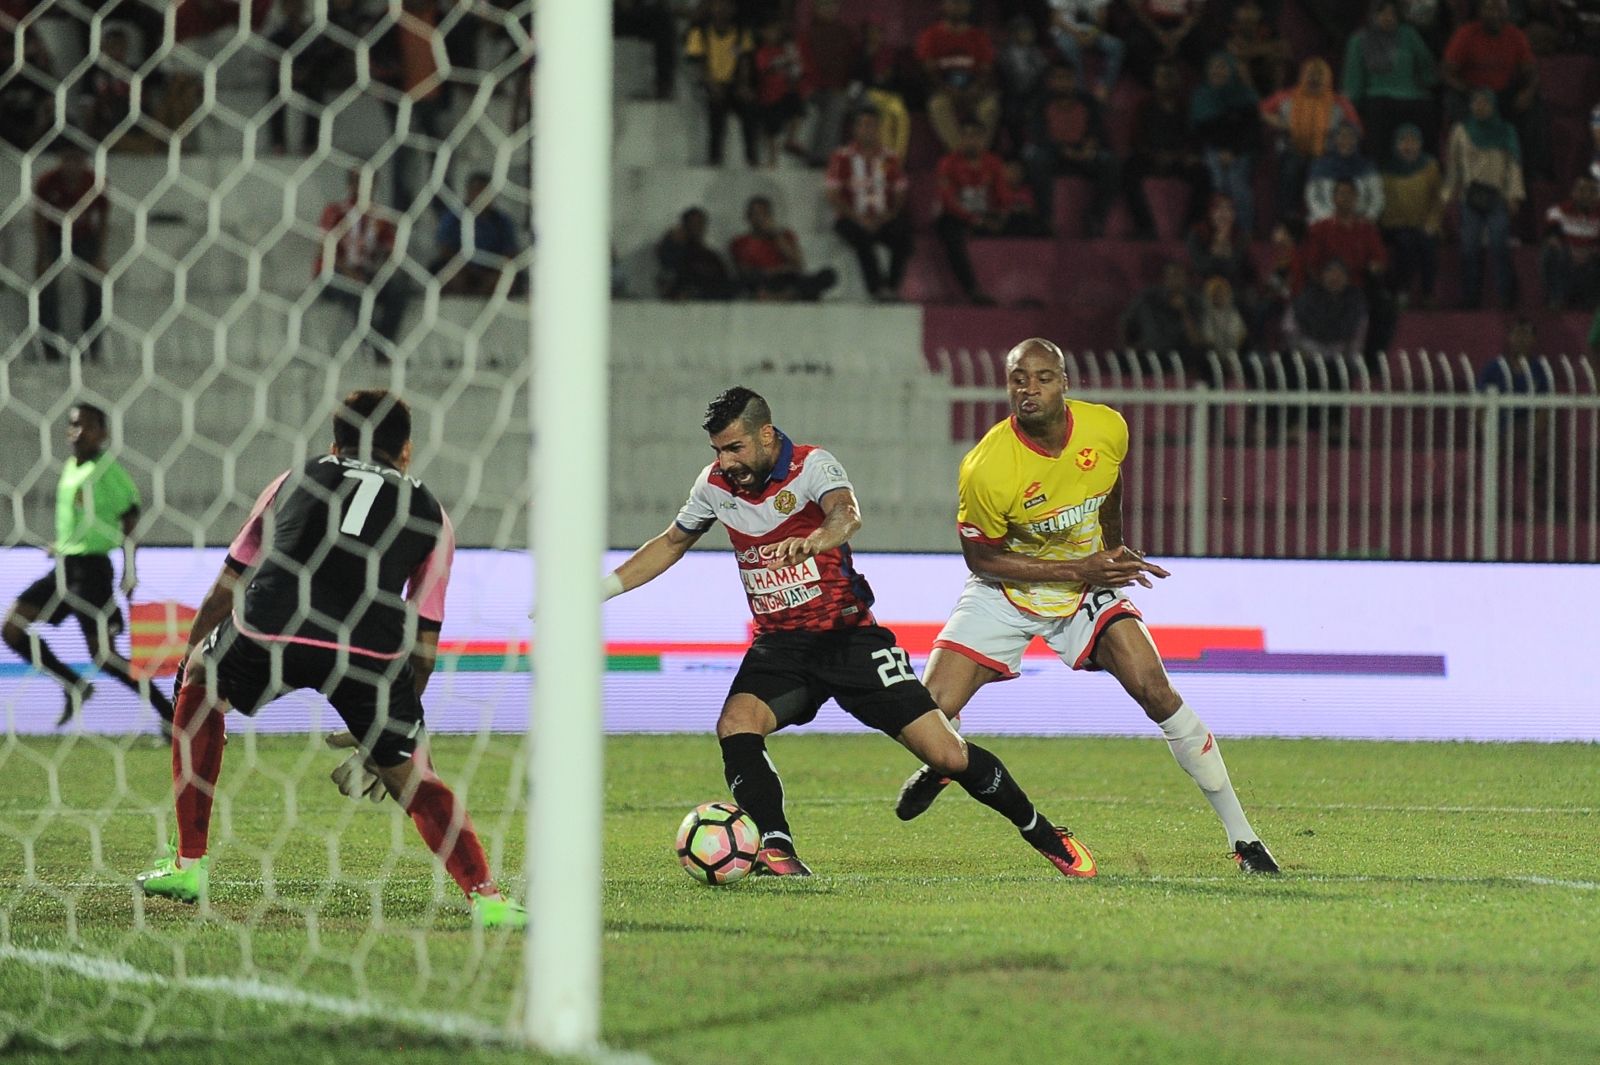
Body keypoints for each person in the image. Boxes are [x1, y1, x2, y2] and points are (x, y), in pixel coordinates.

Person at [605, 386, 1098, 879]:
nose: (725, 461)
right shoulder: (714, 486)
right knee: (736, 724)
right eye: (718, 450)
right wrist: (600, 590)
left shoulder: (812, 466)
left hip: (849, 640)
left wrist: (818, 538)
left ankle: (1046, 835)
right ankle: (778, 849)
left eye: (734, 448)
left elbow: (847, 513)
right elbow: (671, 542)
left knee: (947, 753)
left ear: (766, 435)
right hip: (781, 645)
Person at [135, 390, 527, 929]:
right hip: (370, 647)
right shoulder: (432, 513)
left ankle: (188, 864)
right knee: (415, 778)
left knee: (202, 678)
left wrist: (189, 666)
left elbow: (227, 586)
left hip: (274, 625)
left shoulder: (294, 477)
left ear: (335, 444)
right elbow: (424, 648)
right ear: (406, 452)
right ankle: (488, 899)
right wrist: (393, 733)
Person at [891, 339, 1278, 874]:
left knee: (1158, 693)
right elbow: (982, 559)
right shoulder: (987, 468)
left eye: (1042, 378)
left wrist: (1111, 550)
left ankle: (1245, 841)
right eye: (1018, 379)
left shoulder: (1106, 428)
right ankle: (944, 764)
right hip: (1007, 594)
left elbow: (1109, 483)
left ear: (1065, 383)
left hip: (1084, 590)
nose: (1029, 389)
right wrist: (1083, 567)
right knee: (926, 717)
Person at [3, 403, 175, 731]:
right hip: (65, 568)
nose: (76, 432)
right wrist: (62, 543)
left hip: (92, 573)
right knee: (12, 627)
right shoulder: (71, 466)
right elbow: (85, 518)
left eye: (85, 426)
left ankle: (170, 715)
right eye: (72, 425)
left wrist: (130, 570)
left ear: (103, 433)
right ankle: (74, 685)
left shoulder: (107, 471)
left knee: (105, 658)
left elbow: (129, 517)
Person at [1025, 65, 1144, 239]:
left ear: (1074, 80)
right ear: (1051, 82)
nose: (1063, 83)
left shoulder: (1087, 101)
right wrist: (1063, 150)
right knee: (1037, 160)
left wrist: (1090, 145)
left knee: (1110, 162)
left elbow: (1097, 130)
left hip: (1083, 153)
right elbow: (1038, 135)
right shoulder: (1041, 103)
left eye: (1067, 78)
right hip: (1055, 153)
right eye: (1059, 78)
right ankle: (1045, 220)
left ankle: (1096, 218)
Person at [1441, 0, 1548, 179]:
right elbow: (1446, 71)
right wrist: (1469, 92)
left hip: (1502, 93)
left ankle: (1527, 169)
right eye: (1489, 8)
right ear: (1480, 11)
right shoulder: (1466, 33)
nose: (1495, 14)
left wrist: (1527, 93)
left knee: (1535, 108)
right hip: (1472, 92)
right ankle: (1460, 168)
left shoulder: (1515, 35)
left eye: (1500, 9)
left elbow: (1532, 71)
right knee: (1453, 102)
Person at [1441, 88, 1525, 309]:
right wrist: (1448, 195)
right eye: (1476, 102)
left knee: (1499, 245)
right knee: (1469, 248)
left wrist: (1514, 195)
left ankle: (1506, 297)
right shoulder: (1460, 131)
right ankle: (1470, 299)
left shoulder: (1506, 131)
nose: (1480, 107)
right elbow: (1454, 166)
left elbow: (1513, 165)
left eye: (1484, 103)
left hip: (1497, 197)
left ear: (1493, 105)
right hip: (1470, 198)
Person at [316, 168, 408, 362]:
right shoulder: (335, 212)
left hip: (366, 274)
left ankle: (381, 345)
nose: (364, 187)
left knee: (398, 292)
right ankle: (371, 348)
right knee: (358, 294)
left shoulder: (379, 217)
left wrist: (389, 264)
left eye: (369, 182)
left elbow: (391, 249)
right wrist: (347, 271)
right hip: (334, 275)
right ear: (350, 185)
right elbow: (324, 249)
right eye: (358, 182)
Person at [1260, 57, 1362, 226]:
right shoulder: (1287, 97)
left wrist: (1342, 139)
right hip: (1293, 150)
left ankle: (1321, 224)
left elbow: (1356, 128)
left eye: (1318, 75)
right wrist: (1279, 122)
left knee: (1321, 171)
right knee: (1291, 169)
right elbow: (1261, 110)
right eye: (1310, 74)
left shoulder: (1339, 102)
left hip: (1326, 153)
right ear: (1302, 76)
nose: (1314, 79)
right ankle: (1287, 223)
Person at [825, 108, 913, 301]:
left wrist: (889, 215)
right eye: (863, 125)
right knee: (861, 237)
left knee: (904, 234)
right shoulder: (842, 157)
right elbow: (832, 194)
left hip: (882, 218)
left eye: (872, 125)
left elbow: (899, 190)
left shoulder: (890, 158)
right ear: (855, 129)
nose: (868, 130)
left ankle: (892, 286)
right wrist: (859, 218)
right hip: (851, 218)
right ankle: (877, 288)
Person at [34, 144, 109, 362]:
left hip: (84, 237)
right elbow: (38, 219)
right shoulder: (47, 182)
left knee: (97, 288)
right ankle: (49, 347)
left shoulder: (95, 183)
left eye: (77, 160)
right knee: (46, 287)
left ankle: (90, 345)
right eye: (68, 160)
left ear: (84, 161)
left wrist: (99, 256)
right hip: (54, 236)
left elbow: (103, 220)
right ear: (61, 160)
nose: (72, 166)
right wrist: (43, 255)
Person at [1341, 0, 1437, 162]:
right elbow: (1353, 81)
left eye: (1392, 13)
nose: (1388, 18)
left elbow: (1426, 66)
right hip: (1379, 100)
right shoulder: (1359, 40)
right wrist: (1350, 108)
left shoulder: (1408, 34)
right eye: (1382, 13)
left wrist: (1429, 83)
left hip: (1412, 98)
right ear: (1373, 15)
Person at [935, 119, 1008, 304]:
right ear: (961, 139)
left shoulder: (993, 163)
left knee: (1025, 224)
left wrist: (1001, 215)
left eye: (976, 137)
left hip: (985, 214)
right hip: (957, 216)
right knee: (950, 233)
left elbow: (1002, 195)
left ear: (983, 140)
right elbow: (948, 200)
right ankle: (972, 289)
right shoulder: (948, 163)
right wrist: (973, 219)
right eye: (967, 136)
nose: (971, 141)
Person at [1189, 52, 1262, 236]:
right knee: (1218, 182)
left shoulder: (1244, 95)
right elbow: (1199, 132)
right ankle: (1217, 233)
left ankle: (1245, 233)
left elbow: (1251, 130)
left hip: (1241, 149)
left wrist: (1233, 151)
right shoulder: (1200, 96)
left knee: (1237, 182)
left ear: (1231, 70)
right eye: (1214, 67)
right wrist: (1219, 151)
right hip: (1213, 149)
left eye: (1222, 67)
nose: (1217, 72)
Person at [916, 0, 1000, 152]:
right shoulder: (931, 35)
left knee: (989, 107)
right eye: (953, 3)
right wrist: (949, 90)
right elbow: (928, 71)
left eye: (962, 3)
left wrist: (974, 89)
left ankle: (979, 154)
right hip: (944, 89)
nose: (958, 7)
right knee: (937, 105)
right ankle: (960, 154)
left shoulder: (978, 36)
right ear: (944, 5)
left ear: (969, 7)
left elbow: (986, 70)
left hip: (973, 90)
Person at [685, 0, 757, 167]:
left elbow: (745, 61)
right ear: (711, 7)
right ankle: (714, 158)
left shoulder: (741, 32)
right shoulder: (700, 32)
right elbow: (698, 64)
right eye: (718, 5)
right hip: (708, 83)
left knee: (749, 107)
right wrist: (711, 85)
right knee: (717, 108)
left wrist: (743, 85)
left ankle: (752, 158)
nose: (722, 9)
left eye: (727, 5)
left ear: (733, 9)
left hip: (733, 83)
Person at [1379, 124, 1443, 307]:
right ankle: (1402, 291)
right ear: (1395, 144)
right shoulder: (1386, 170)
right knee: (1406, 242)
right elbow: (1385, 203)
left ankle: (1428, 293)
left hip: (1424, 224)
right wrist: (1399, 223)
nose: (1408, 146)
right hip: (1395, 225)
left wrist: (1432, 222)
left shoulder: (1430, 166)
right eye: (1403, 141)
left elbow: (1438, 199)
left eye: (1413, 141)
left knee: (1427, 243)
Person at [729, 195, 837, 301]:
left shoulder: (784, 235)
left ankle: (783, 296)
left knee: (827, 275)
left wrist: (776, 236)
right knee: (742, 283)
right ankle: (782, 296)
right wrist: (778, 270)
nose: (760, 218)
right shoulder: (740, 242)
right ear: (748, 217)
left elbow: (798, 264)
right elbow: (745, 271)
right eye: (756, 214)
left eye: (764, 214)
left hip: (788, 281)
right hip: (764, 282)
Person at [433, 172, 520, 296]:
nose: (480, 196)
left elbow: (510, 253)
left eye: (484, 191)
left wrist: (492, 271)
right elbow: (445, 249)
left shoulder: (502, 221)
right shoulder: (453, 218)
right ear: (468, 193)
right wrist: (466, 269)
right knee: (451, 276)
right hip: (461, 269)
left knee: (504, 279)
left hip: (492, 270)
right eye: (476, 191)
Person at [1119, 260, 1205, 375]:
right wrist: (1128, 346)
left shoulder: (1194, 301)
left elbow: (1196, 339)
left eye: (1178, 276)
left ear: (1185, 279)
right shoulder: (1148, 298)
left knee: (1201, 355)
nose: (1175, 281)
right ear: (1165, 278)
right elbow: (1125, 321)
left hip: (1180, 354)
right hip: (1151, 352)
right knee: (1125, 358)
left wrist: (1184, 311)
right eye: (1171, 276)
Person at [751, 17, 812, 167]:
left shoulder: (784, 50)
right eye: (769, 30)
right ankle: (772, 159)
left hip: (784, 94)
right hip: (767, 98)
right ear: (762, 32)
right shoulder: (761, 52)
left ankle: (791, 140)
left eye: (776, 30)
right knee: (772, 127)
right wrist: (784, 62)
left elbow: (796, 71)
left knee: (798, 105)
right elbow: (764, 69)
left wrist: (793, 68)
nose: (773, 34)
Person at [1539, 175, 1600, 311]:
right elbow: (1551, 236)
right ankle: (1557, 299)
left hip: (1591, 261)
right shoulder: (1559, 211)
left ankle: (1593, 303)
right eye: (1582, 190)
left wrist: (1590, 251)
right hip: (1567, 258)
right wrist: (1570, 249)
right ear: (1574, 192)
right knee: (1550, 251)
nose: (1586, 195)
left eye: (1592, 191)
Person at [1305, 122, 1384, 224]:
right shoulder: (1320, 166)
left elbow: (1377, 198)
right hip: (1325, 223)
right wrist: (1329, 219)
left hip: (1360, 225)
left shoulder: (1367, 167)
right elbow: (1312, 197)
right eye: (1342, 136)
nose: (1346, 141)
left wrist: (1366, 218)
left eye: (1351, 136)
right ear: (1334, 140)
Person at [1047, 0, 1124, 101]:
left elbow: (1102, 17)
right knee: (1068, 47)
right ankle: (1080, 91)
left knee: (1116, 46)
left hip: (1091, 31)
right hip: (1067, 31)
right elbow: (1056, 19)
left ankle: (1104, 86)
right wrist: (1077, 35)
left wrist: (1094, 34)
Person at [657, 206, 739, 300]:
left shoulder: (712, 256)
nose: (695, 227)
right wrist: (670, 241)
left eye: (699, 223)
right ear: (684, 225)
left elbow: (725, 283)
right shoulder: (676, 252)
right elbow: (667, 271)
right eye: (692, 223)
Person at [1223, 0, 1291, 95]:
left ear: (1258, 12)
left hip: (1263, 64)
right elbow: (1236, 52)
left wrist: (1254, 50)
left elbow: (1285, 49)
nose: (1248, 14)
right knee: (1241, 65)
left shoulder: (1265, 27)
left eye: (1252, 9)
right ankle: (1253, 98)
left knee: (1278, 62)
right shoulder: (1231, 27)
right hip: (1238, 70)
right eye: (1245, 9)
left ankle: (1276, 97)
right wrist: (1265, 49)